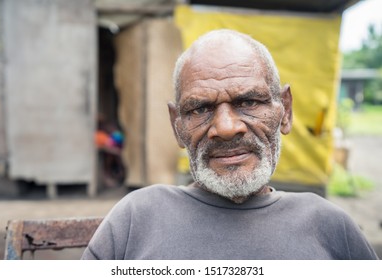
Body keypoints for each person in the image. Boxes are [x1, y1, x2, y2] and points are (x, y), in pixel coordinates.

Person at [82, 29, 378, 260]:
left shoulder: (330, 226)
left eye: (249, 101)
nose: (225, 128)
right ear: (177, 126)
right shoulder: (135, 219)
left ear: (285, 111)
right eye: (200, 109)